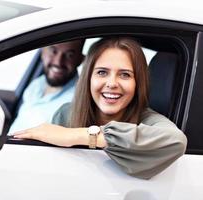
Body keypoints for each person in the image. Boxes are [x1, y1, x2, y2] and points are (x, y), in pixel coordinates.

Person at [13, 37, 187, 179]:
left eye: (125, 75)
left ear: (138, 83)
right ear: (88, 77)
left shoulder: (148, 120)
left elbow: (176, 140)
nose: (111, 83)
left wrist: (79, 135)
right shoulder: (66, 113)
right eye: (102, 72)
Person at [9, 40, 85, 133]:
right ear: (42, 52)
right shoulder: (37, 83)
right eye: (54, 51)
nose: (58, 62)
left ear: (80, 59)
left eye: (69, 55)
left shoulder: (78, 102)